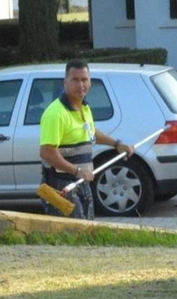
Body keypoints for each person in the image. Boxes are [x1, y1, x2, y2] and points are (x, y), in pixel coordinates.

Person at [38, 60, 132, 219]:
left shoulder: (85, 108)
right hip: (61, 186)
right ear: (65, 82)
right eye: (75, 80)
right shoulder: (56, 114)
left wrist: (117, 145)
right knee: (72, 233)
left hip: (81, 182)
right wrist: (77, 171)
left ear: (90, 82)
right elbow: (47, 152)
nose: (81, 84)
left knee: (88, 229)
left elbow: (91, 133)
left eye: (84, 80)